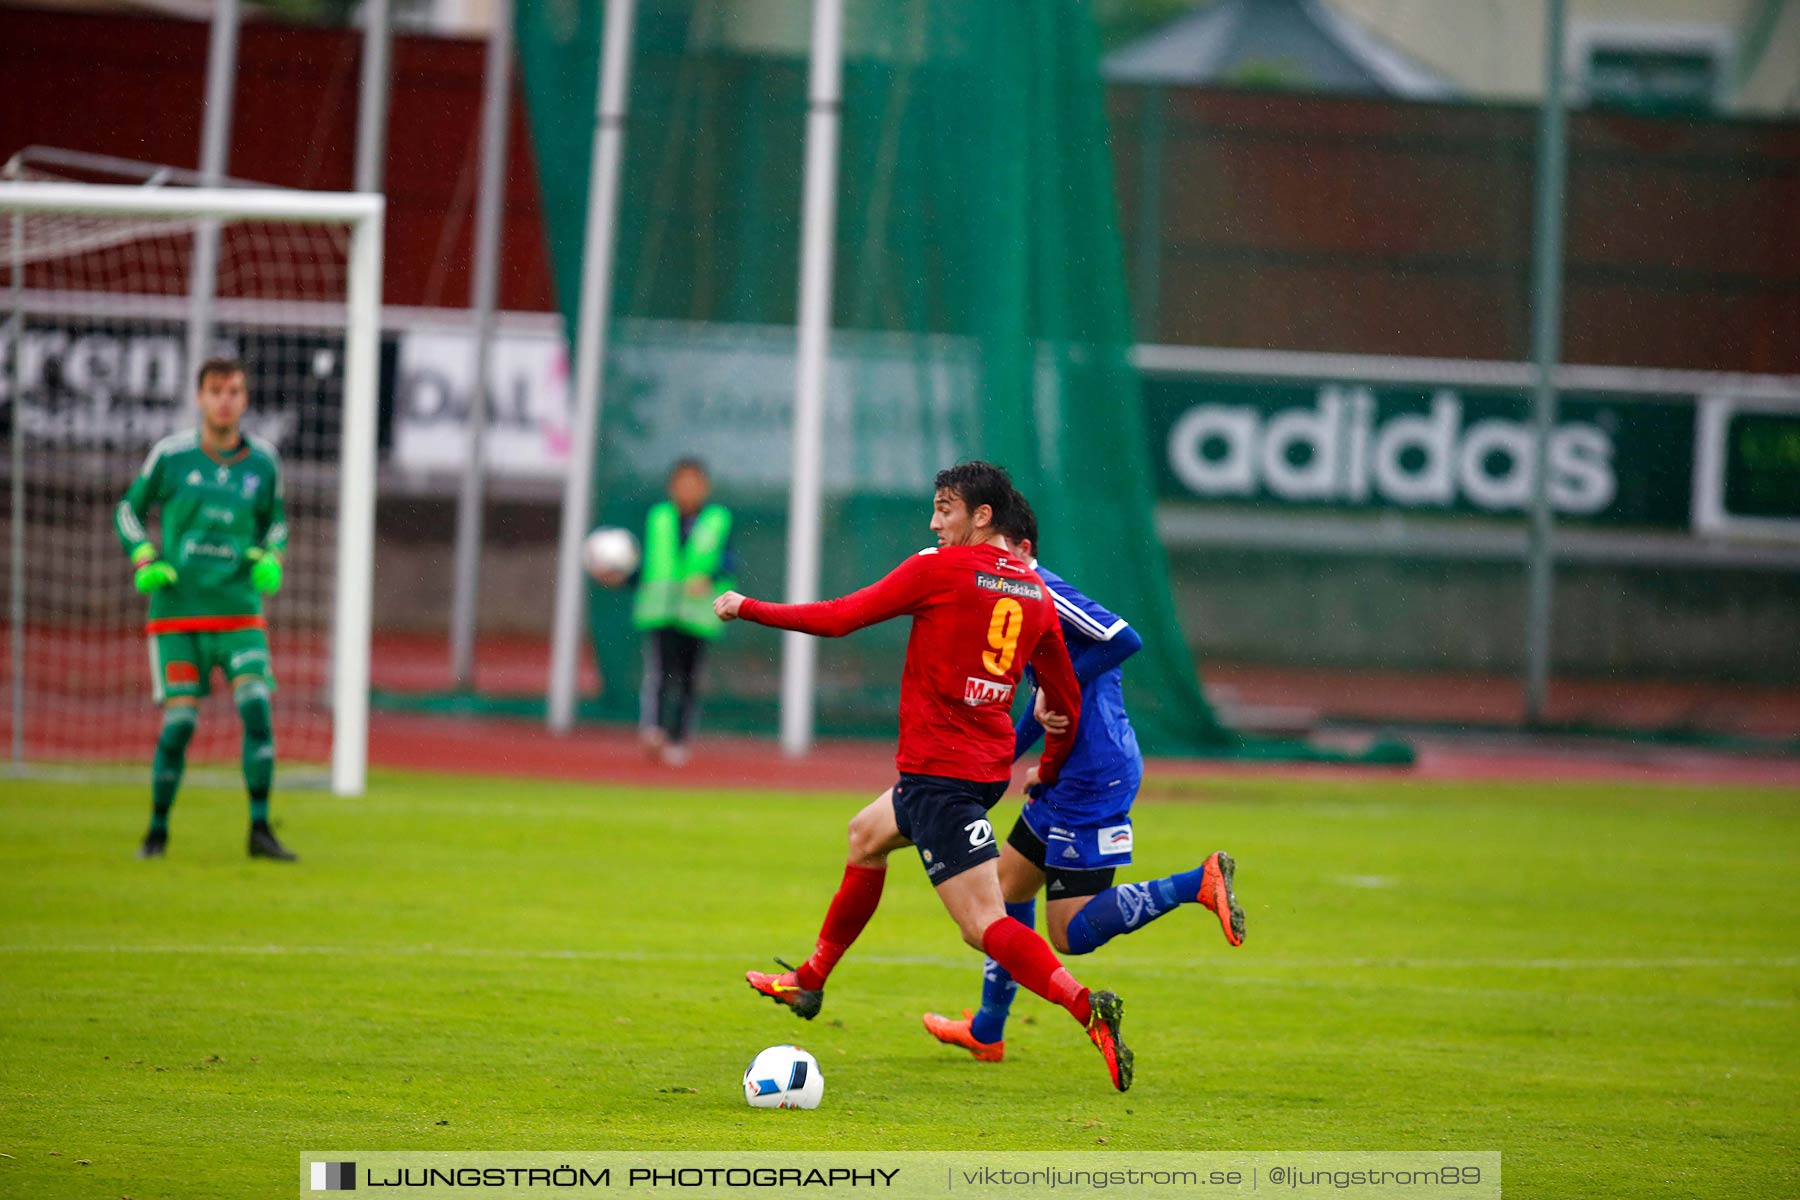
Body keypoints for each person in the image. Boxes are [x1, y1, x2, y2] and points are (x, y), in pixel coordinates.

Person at [715, 461, 1135, 1092]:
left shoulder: (937, 570)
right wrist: (1044, 769)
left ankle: (1086, 1009)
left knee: (982, 926)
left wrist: (748, 607)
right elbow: (1065, 702)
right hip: (976, 770)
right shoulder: (1035, 589)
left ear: (982, 516)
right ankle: (809, 980)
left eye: (945, 509)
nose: (935, 522)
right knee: (866, 835)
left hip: (943, 775)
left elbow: (839, 618)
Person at [921, 495, 1244, 1063]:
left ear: (1014, 543)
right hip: (1074, 770)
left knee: (1071, 933)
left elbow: (1122, 640)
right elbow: (1046, 696)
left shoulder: (1037, 586)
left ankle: (1196, 883)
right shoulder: (1006, 598)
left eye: (948, 513)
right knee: (1004, 891)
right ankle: (989, 1030)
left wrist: (1050, 696)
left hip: (1094, 775)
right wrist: (1006, 757)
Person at [115, 357, 296, 861]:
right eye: (216, 390)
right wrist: (144, 556)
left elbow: (276, 523)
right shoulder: (170, 456)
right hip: (177, 614)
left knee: (257, 707)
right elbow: (128, 509)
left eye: (234, 391)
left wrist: (273, 558)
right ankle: (156, 832)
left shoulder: (263, 462)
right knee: (180, 726)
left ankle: (260, 830)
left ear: (246, 399)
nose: (225, 400)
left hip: (239, 613)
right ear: (199, 397)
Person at [627, 458, 735, 767]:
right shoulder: (658, 518)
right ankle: (655, 730)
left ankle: (678, 738)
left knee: (688, 679)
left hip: (698, 614)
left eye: (694, 483)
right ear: (672, 487)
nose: (687, 490)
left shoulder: (718, 520)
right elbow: (644, 564)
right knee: (660, 673)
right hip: (660, 610)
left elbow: (729, 561)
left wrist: (710, 577)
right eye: (681, 483)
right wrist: (622, 576)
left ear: (704, 488)